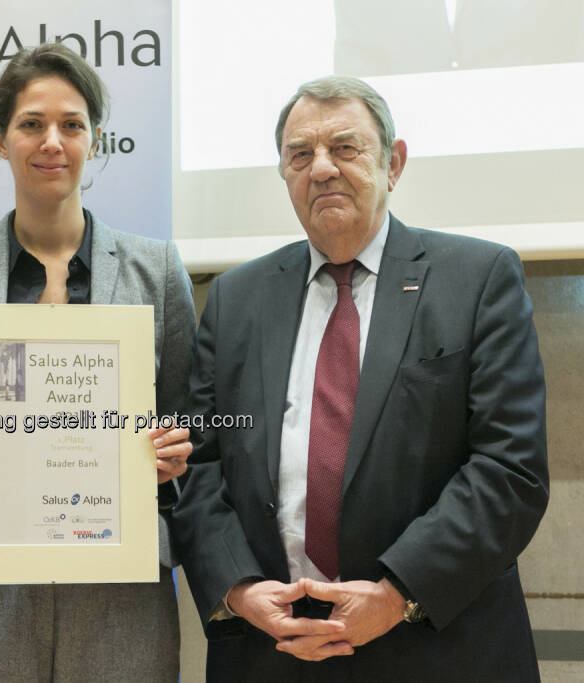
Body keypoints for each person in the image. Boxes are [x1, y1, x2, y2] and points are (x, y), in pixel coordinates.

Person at [172, 75, 548, 681]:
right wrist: (239, 588)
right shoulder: (236, 299)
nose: (320, 169)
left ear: (393, 163)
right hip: (274, 650)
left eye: (344, 148)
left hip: (438, 645)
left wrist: (399, 594)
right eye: (300, 155)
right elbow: (201, 461)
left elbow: (510, 468)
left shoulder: (478, 279)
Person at [0, 43, 195, 681]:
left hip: (122, 593)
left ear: (95, 139)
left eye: (71, 125)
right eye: (31, 124)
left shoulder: (159, 273)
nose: (52, 143)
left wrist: (174, 459)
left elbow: (188, 431)